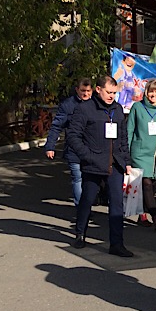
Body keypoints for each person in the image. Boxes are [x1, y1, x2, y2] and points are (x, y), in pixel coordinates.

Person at [66, 76, 134, 257]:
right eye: (108, 92)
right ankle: (80, 233)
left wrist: (126, 161)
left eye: (114, 93)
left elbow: (123, 138)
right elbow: (73, 136)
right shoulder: (85, 109)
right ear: (98, 90)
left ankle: (117, 244)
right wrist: (87, 156)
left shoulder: (118, 110)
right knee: (87, 200)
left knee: (117, 205)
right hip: (93, 165)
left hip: (115, 165)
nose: (112, 96)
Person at [126, 79, 156, 230]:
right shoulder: (137, 107)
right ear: (146, 92)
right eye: (151, 91)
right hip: (139, 154)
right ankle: (155, 217)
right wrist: (126, 156)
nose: (154, 94)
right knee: (146, 184)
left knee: (151, 187)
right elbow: (129, 130)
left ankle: (142, 215)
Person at [44, 78, 92, 211]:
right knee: (78, 178)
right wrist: (50, 146)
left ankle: (88, 203)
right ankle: (82, 209)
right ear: (77, 90)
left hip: (91, 149)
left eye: (88, 91)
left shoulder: (95, 104)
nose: (86, 94)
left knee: (90, 179)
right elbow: (56, 126)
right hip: (74, 149)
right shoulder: (68, 105)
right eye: (83, 91)